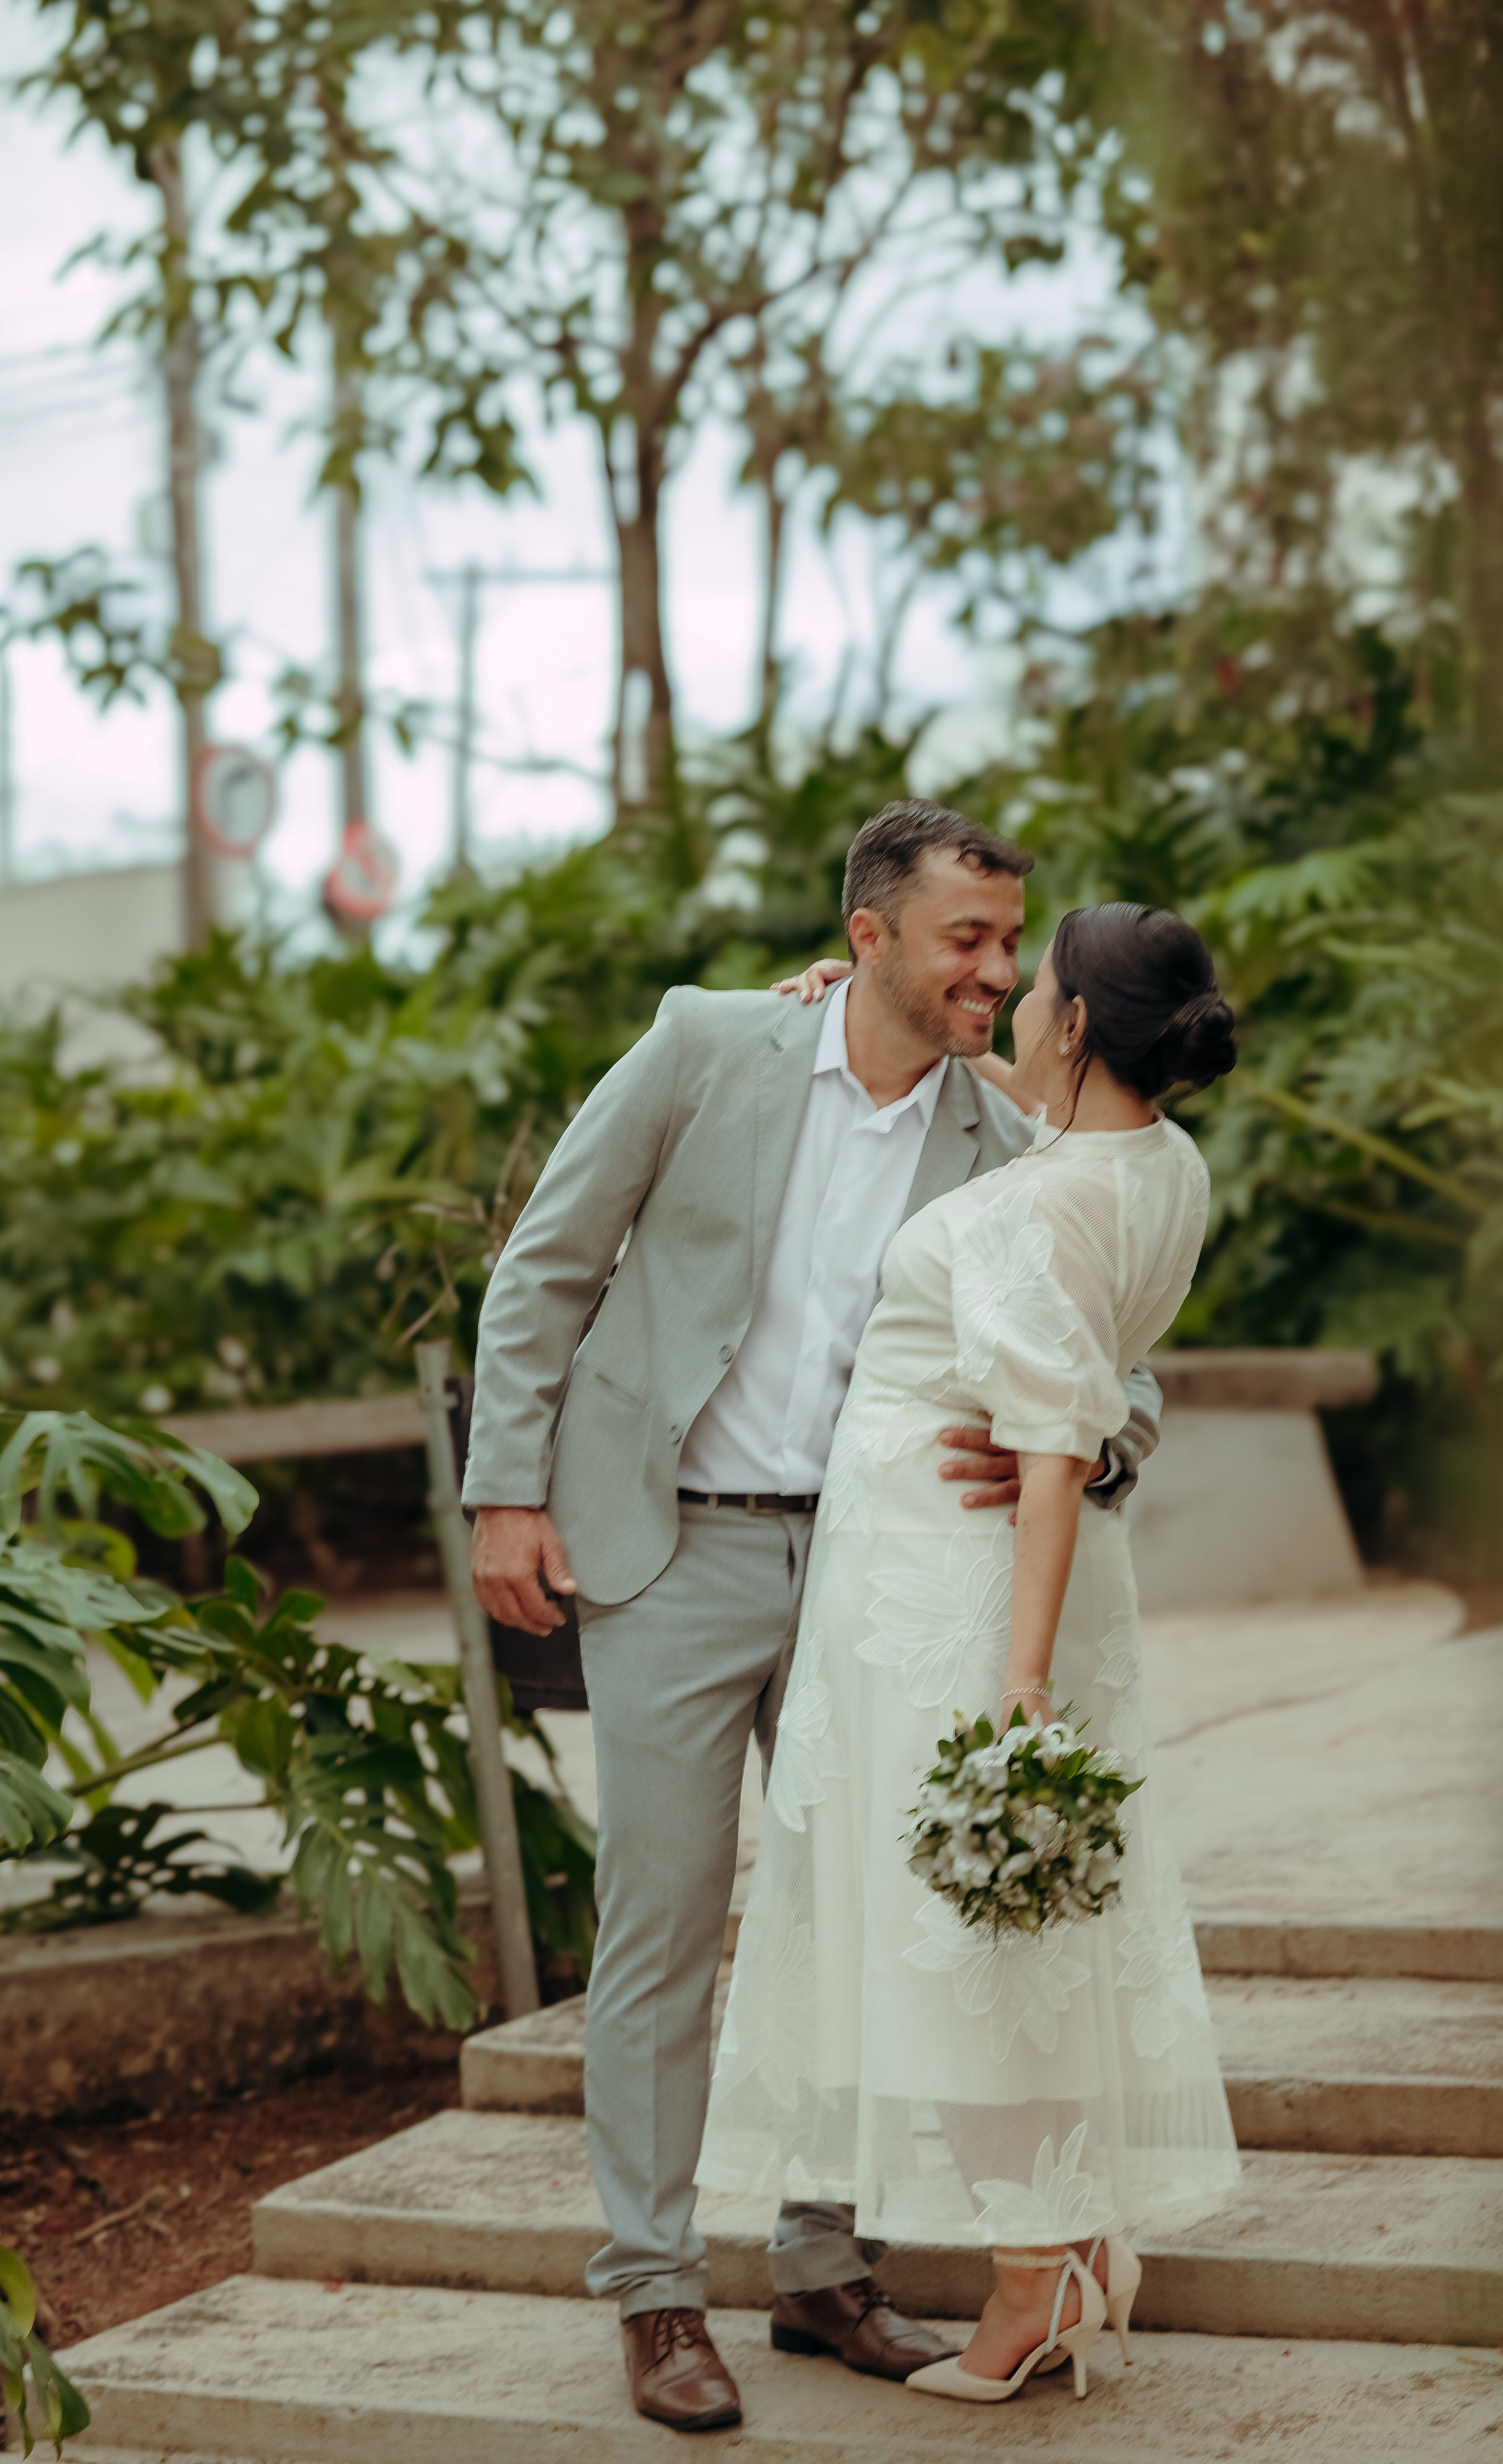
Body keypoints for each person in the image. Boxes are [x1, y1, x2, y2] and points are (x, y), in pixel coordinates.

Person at [463, 801, 1164, 2434]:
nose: (997, 969)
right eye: (964, 940)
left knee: (846, 1920)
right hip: (666, 1549)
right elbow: (547, 1266)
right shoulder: (707, 1046)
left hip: (877, 1570)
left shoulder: (1006, 1141)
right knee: (662, 1923)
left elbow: (1122, 1367)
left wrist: (1093, 1442)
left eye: (1010, 941)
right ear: (867, 937)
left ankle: (816, 2265)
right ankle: (649, 2292)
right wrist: (509, 1493)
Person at [696, 900, 1243, 2408]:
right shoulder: (1155, 1163)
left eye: (1032, 985)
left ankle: (1031, 2278)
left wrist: (1013, 1681)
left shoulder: (1031, 1209)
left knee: (970, 1947)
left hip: (956, 1600)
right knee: (1020, 1936)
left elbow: (1056, 1443)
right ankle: (1063, 2250)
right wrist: (855, 995)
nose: (1003, 997)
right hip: (997, 1587)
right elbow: (1055, 1151)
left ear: (1073, 1024)